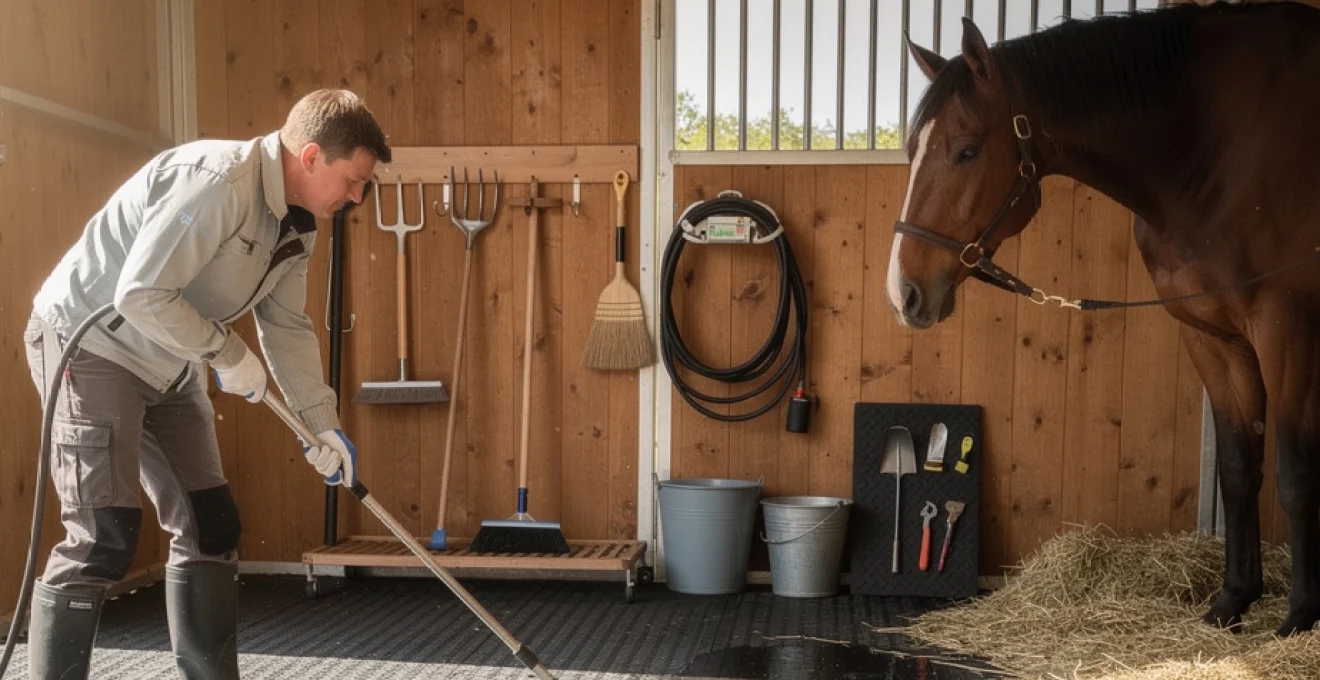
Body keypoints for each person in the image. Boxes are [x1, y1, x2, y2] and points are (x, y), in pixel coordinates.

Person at [22, 88, 390, 680]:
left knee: (210, 525)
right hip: (90, 345)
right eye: (353, 180)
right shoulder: (217, 181)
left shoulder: (300, 225)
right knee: (103, 535)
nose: (357, 196)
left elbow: (287, 325)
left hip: (170, 357)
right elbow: (140, 292)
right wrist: (226, 351)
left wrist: (322, 422)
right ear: (313, 155)